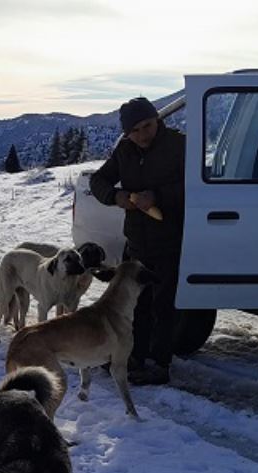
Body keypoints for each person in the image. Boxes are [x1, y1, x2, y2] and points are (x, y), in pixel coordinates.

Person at [89, 96, 185, 386]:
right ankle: (135, 357)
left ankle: (160, 363)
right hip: (137, 242)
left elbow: (192, 185)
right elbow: (98, 181)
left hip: (170, 239)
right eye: (136, 130)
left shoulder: (179, 145)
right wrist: (116, 197)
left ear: (157, 120)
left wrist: (157, 196)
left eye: (148, 125)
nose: (143, 134)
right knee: (136, 304)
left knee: (163, 304)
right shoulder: (125, 150)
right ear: (127, 133)